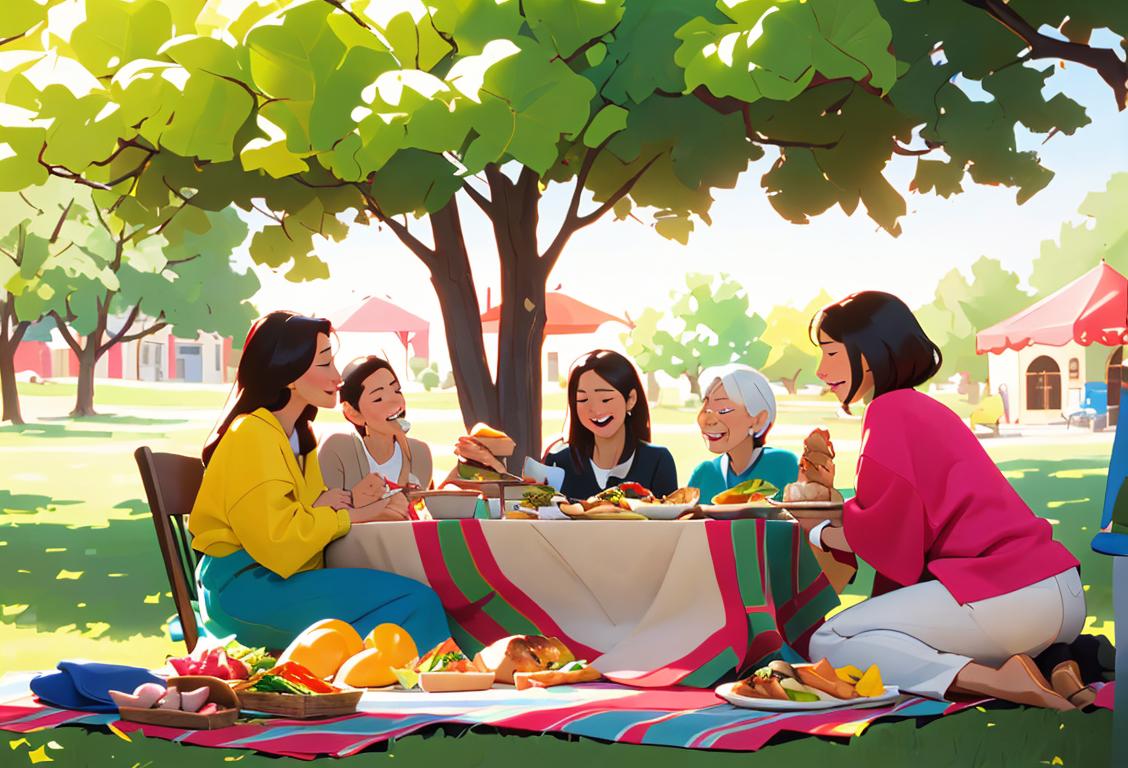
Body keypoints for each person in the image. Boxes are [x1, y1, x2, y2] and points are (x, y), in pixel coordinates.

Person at [804, 292, 1084, 709]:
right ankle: (1059, 668)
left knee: (831, 639)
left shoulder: (887, 411)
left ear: (867, 354)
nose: (821, 369)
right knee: (887, 629)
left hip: (1007, 593)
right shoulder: (925, 409)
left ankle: (1000, 680)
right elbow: (908, 516)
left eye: (830, 352)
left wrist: (819, 533)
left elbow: (889, 541)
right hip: (1057, 589)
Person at [188, 311, 449, 651]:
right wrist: (359, 514)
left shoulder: (298, 435)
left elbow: (307, 511)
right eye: (325, 364)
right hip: (245, 589)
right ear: (289, 372)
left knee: (415, 595)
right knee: (415, 602)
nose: (339, 377)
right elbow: (279, 540)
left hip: (282, 576)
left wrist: (342, 504)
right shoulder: (252, 434)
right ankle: (421, 684)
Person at [543, 350, 677, 499]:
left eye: (605, 399)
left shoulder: (657, 460)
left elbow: (671, 517)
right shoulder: (558, 462)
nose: (594, 409)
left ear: (631, 399)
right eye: (583, 400)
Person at [320, 356, 433, 519]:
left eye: (396, 390)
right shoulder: (338, 450)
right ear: (353, 413)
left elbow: (416, 514)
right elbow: (327, 516)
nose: (395, 400)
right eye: (378, 398)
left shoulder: (419, 453)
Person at [688, 365, 798, 502]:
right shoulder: (704, 474)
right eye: (705, 406)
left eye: (723, 410)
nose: (706, 420)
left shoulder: (783, 465)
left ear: (758, 420)